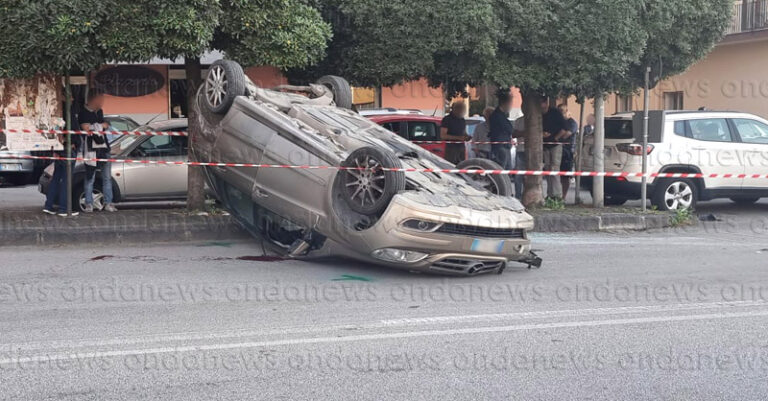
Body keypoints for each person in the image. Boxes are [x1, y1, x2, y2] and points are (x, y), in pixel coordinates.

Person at [79, 90, 117, 213]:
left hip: (104, 148)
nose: (102, 102)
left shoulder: (99, 111)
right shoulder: (83, 112)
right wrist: (99, 126)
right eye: (101, 99)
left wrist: (95, 126)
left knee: (107, 178)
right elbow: (86, 128)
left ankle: (108, 203)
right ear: (93, 99)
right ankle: (89, 204)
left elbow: (106, 124)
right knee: (90, 178)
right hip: (91, 150)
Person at [43, 109, 82, 217]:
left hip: (59, 150)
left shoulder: (56, 114)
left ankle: (48, 205)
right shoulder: (69, 114)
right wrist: (72, 143)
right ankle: (64, 208)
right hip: (68, 150)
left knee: (56, 178)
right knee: (66, 180)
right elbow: (73, 132)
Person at [542, 98, 569, 200]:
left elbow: (565, 128)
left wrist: (555, 138)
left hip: (555, 145)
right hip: (545, 145)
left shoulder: (555, 113)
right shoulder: (539, 114)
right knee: (548, 169)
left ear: (545, 103)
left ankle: (557, 195)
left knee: (554, 169)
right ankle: (550, 194)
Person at [489, 92, 516, 170]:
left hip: (504, 146)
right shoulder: (498, 116)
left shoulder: (501, 115)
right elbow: (509, 129)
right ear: (506, 103)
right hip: (500, 146)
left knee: (507, 169)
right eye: (510, 103)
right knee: (501, 169)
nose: (511, 106)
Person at [558, 104, 578, 200]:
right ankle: (558, 195)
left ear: (566, 111)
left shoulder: (572, 123)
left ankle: (563, 196)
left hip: (568, 151)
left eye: (562, 111)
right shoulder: (560, 122)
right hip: (558, 150)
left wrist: (556, 137)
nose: (560, 113)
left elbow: (567, 135)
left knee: (565, 176)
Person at [513, 117, 526, 200]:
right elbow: (513, 134)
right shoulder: (518, 121)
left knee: (530, 175)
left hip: (533, 152)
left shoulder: (537, 118)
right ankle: (518, 195)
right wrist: (524, 133)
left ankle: (526, 194)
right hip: (521, 150)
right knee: (518, 175)